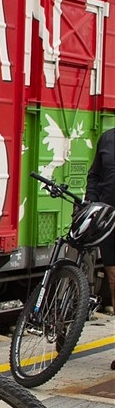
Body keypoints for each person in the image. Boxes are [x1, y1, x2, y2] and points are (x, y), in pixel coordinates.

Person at [85, 127, 115, 328]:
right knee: (113, 280)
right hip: (109, 219)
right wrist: (90, 203)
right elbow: (95, 176)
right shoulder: (107, 138)